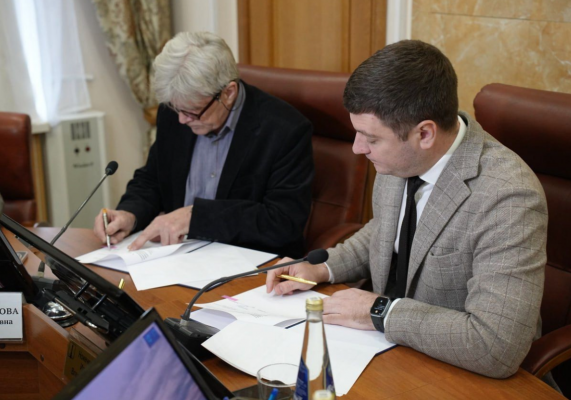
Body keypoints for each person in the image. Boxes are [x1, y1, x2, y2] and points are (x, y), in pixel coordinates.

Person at [267, 40, 548, 379]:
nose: (357, 148)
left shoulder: (508, 196)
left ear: (425, 134)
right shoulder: (402, 158)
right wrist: (322, 269)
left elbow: (495, 345)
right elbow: (385, 232)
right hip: (390, 353)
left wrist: (379, 311)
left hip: (463, 374)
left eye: (371, 138)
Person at [94, 32, 314, 258]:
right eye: (177, 109)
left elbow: (282, 222)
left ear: (228, 93)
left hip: (248, 262)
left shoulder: (285, 130)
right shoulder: (175, 111)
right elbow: (153, 178)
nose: (182, 120)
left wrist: (195, 217)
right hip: (177, 256)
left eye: (192, 112)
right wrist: (130, 213)